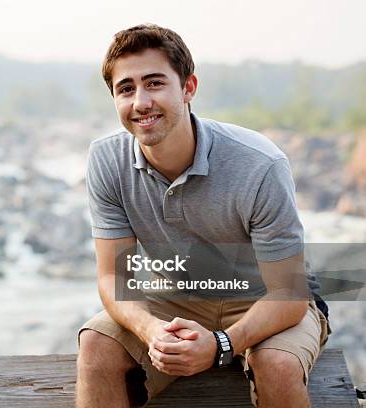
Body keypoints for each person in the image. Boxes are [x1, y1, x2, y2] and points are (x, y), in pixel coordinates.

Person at [76, 24, 330, 407]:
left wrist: (221, 345)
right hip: (173, 299)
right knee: (97, 346)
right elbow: (115, 275)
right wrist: (151, 330)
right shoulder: (106, 159)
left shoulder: (259, 164)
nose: (141, 102)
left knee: (275, 363)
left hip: (265, 297)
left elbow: (288, 291)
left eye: (155, 83)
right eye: (126, 89)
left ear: (188, 88)